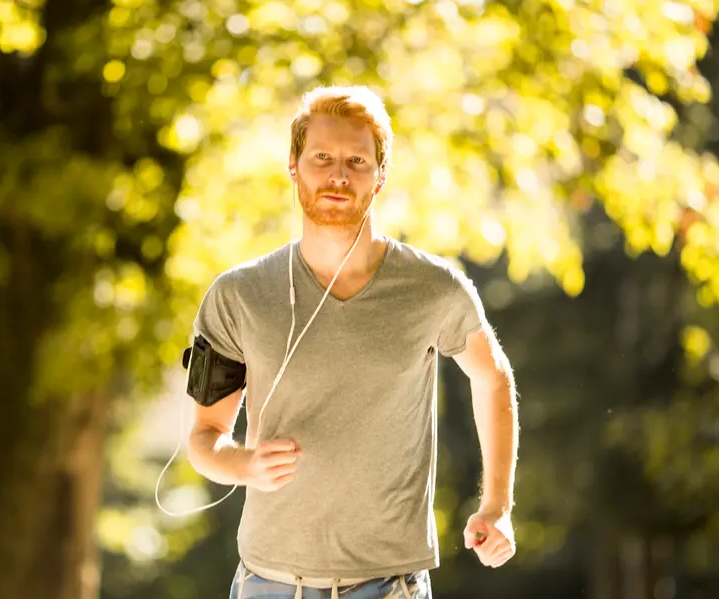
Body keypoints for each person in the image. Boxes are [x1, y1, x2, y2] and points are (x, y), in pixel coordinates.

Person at [184, 85, 519, 599]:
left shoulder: (433, 287)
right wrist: (246, 465)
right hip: (268, 583)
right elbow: (204, 439)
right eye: (322, 157)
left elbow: (492, 377)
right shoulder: (240, 295)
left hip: (390, 585)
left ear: (380, 175)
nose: (339, 174)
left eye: (357, 161)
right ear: (294, 165)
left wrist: (496, 506)